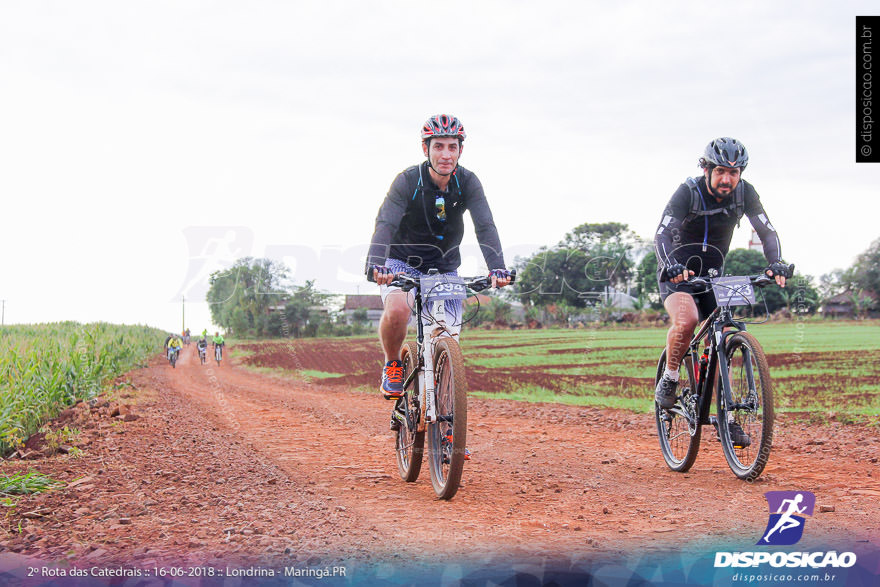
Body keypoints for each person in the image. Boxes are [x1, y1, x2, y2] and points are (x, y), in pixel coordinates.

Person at [653, 137, 791, 446]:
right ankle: (671, 377)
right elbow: (661, 234)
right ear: (706, 169)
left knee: (724, 336)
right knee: (687, 322)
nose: (727, 179)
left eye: (734, 172)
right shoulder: (688, 192)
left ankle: (727, 418)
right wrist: (671, 265)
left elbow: (766, 231)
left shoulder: (745, 194)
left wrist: (776, 263)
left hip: (715, 275)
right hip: (677, 273)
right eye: (720, 172)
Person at [365, 114, 511, 404]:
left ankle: (447, 434)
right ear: (425, 149)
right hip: (400, 262)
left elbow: (485, 225)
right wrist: (376, 264)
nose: (446, 154)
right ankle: (393, 364)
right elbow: (386, 223)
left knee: (448, 346)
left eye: (452, 147)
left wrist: (497, 268)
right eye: (439, 146)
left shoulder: (468, 182)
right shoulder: (407, 181)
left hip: (445, 268)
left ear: (460, 150)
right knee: (397, 309)